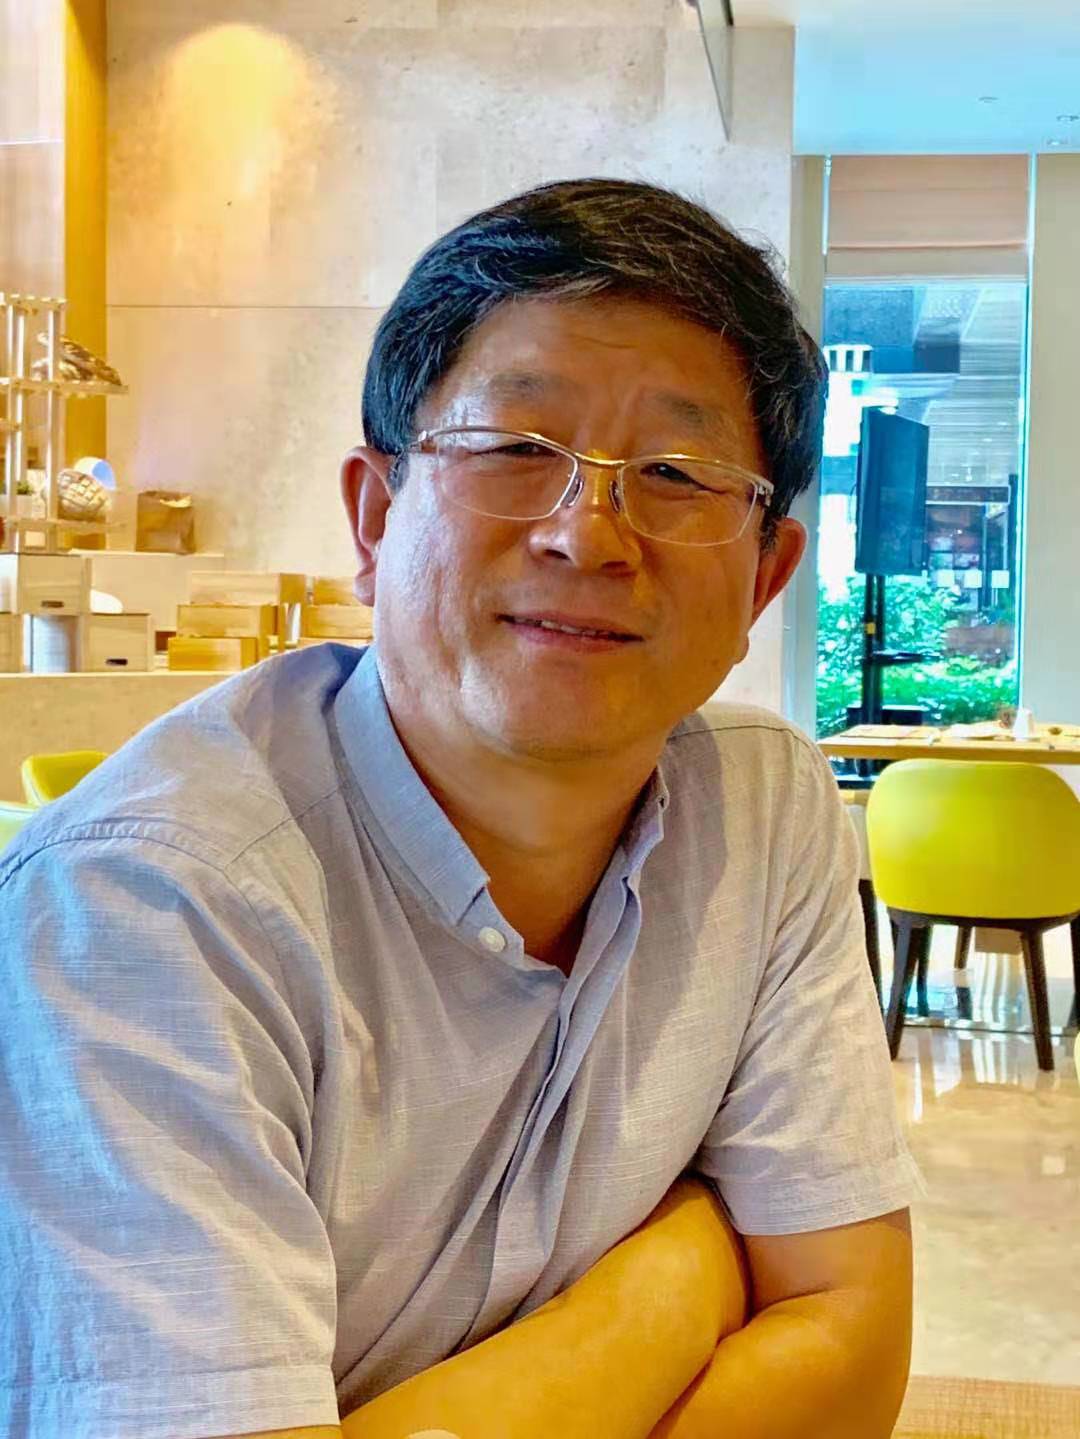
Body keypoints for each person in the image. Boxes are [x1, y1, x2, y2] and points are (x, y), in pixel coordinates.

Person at [0, 178, 921, 1439]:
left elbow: (851, 1347)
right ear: (376, 519)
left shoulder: (762, 808)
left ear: (765, 578)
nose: (588, 534)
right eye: (517, 451)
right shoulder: (147, 904)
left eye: (674, 471)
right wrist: (683, 1273)